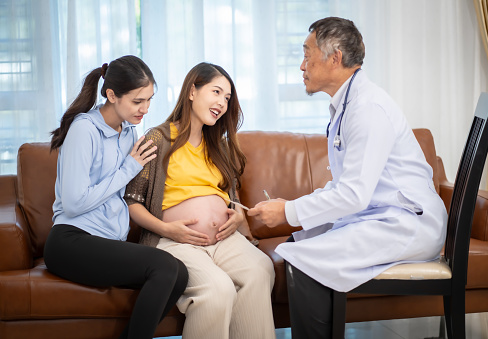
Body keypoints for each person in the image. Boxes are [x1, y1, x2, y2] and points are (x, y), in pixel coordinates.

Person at [248, 17, 448, 339]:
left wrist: (286, 212)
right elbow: (346, 184)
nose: (302, 66)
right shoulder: (347, 105)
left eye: (307, 54)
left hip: (408, 223)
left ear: (335, 58)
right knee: (297, 243)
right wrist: (292, 207)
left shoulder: (367, 109)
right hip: (382, 215)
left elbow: (353, 195)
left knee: (301, 260)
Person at [125, 62, 276, 339]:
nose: (222, 102)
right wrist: (167, 229)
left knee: (260, 269)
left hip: (224, 240)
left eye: (227, 98)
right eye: (216, 92)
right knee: (217, 290)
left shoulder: (219, 145)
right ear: (192, 91)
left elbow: (232, 199)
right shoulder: (158, 139)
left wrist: (238, 218)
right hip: (175, 241)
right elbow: (132, 201)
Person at [43, 55, 188, 339]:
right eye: (137, 101)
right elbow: (74, 203)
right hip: (70, 240)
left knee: (179, 274)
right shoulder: (84, 130)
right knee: (164, 267)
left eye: (149, 100)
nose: (145, 109)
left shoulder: (129, 133)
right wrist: (128, 168)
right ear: (111, 95)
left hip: (104, 242)